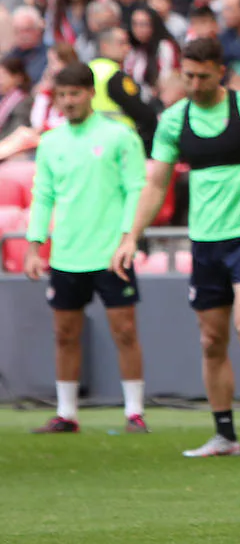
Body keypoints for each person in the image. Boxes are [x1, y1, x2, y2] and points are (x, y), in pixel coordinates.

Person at [112, 37, 240, 458]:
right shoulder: (173, 120)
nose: (195, 82)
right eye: (188, 75)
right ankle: (223, 434)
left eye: (203, 75)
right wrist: (131, 234)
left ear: (219, 71)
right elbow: (156, 184)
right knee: (210, 340)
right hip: (205, 241)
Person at [25, 63, 148, 434]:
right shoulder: (50, 142)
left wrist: (128, 238)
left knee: (124, 331)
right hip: (66, 254)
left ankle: (135, 412)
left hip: (111, 252)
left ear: (90, 93)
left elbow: (136, 189)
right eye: (61, 95)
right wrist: (34, 247)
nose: (68, 102)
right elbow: (42, 196)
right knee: (64, 333)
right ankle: (67, 413)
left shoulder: (119, 136)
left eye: (74, 94)